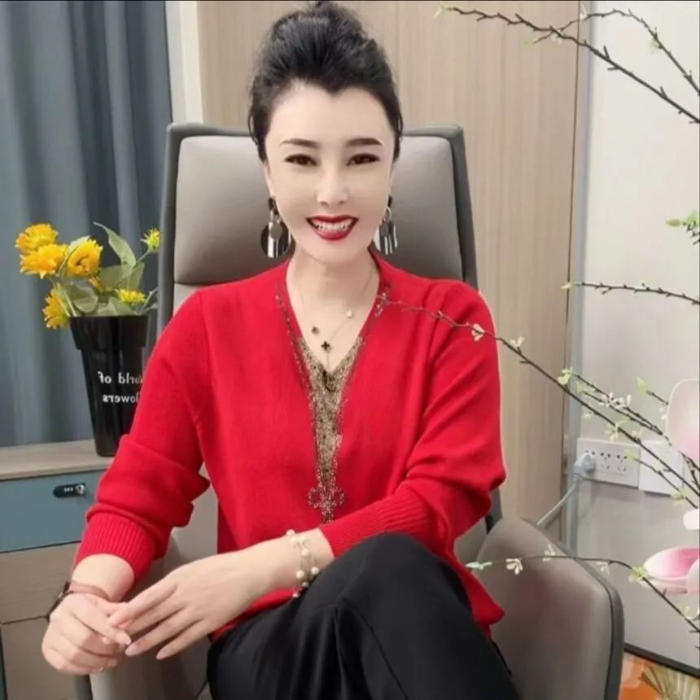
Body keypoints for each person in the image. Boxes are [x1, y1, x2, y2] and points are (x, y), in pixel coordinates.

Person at [41, 1, 520, 698]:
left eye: (362, 158)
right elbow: (137, 498)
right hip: (273, 655)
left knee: (391, 566)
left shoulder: (452, 319)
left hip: (411, 636)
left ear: (393, 165)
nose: (332, 191)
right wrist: (83, 597)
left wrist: (258, 566)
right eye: (301, 159)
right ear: (267, 170)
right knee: (387, 568)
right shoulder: (205, 327)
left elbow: (439, 504)